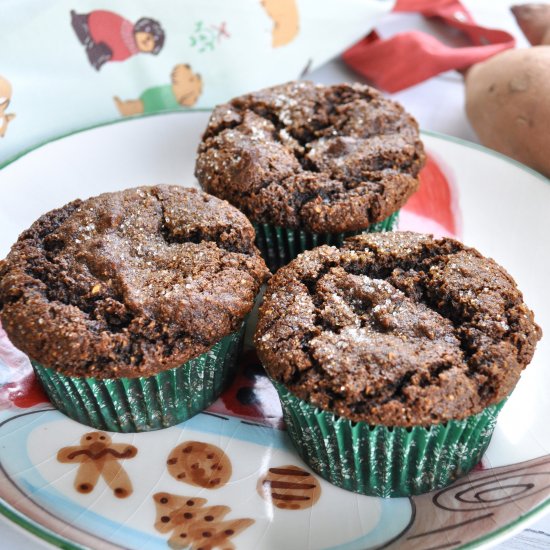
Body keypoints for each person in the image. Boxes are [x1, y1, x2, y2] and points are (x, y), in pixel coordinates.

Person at [70, 10, 165, 70]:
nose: (146, 41)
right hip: (89, 25)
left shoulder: (130, 51)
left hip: (95, 43)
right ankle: (80, 25)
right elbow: (106, 21)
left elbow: (113, 55)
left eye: (150, 45)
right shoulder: (125, 29)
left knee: (102, 53)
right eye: (148, 37)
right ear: (141, 28)